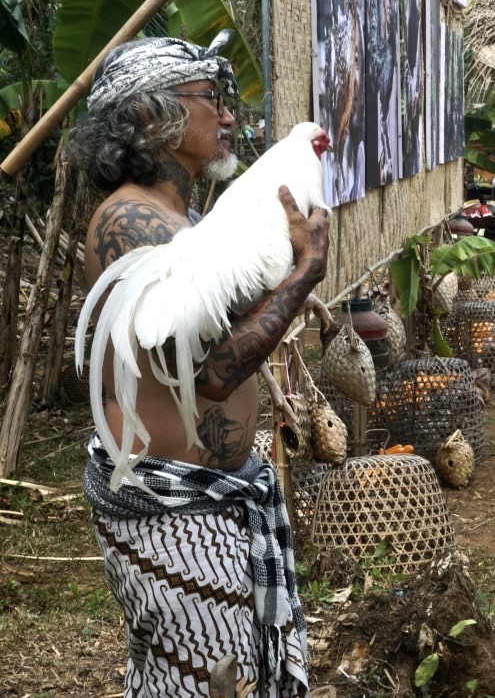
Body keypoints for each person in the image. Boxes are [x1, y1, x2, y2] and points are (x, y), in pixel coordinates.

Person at [68, 34, 329, 697]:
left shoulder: (182, 218)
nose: (229, 114)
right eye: (210, 98)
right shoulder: (133, 218)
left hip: (210, 501)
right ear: (151, 116)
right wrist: (302, 276)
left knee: (193, 682)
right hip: (168, 509)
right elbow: (209, 374)